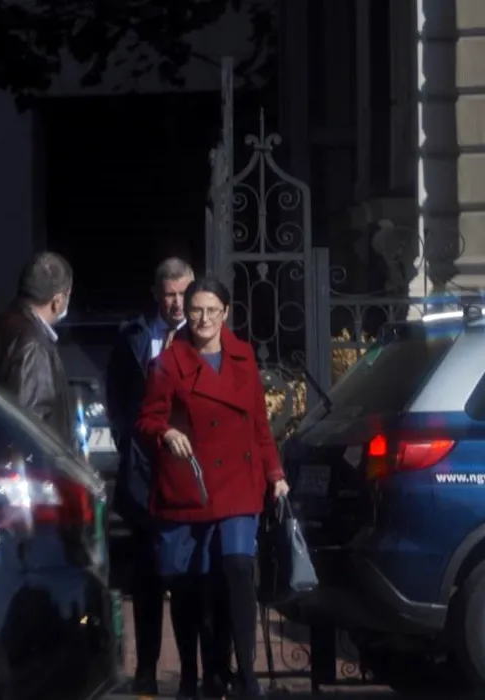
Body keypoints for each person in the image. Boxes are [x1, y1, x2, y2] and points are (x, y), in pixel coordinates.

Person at [136, 276, 290, 700]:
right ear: (186, 313)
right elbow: (147, 420)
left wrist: (275, 474)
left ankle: (248, 676)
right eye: (196, 310)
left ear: (226, 313)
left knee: (238, 568)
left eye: (212, 311)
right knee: (191, 584)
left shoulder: (243, 356)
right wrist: (167, 432)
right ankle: (197, 674)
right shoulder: (168, 364)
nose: (203, 319)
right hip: (191, 484)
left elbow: (258, 423)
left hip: (239, 482)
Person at [106, 258, 195, 696]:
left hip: (190, 475)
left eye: (184, 294)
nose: (177, 304)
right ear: (157, 295)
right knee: (146, 581)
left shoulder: (206, 334)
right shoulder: (135, 337)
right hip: (144, 474)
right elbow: (117, 397)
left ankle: (193, 673)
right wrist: (129, 442)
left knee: (187, 579)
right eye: (170, 295)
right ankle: (145, 670)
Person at [0, 251, 75, 444]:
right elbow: (27, 430)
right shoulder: (33, 345)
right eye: (68, 295)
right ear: (57, 301)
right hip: (26, 462)